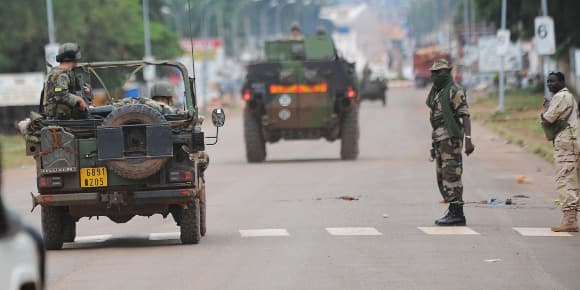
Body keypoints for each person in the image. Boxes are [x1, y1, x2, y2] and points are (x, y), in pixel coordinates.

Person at [426, 59, 475, 226]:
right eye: (437, 73)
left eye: (443, 72)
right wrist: (434, 146)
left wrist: (468, 140)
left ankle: (457, 213)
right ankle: (453, 210)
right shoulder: (437, 92)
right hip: (440, 139)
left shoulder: (454, 90)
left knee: (452, 174)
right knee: (442, 175)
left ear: (448, 73)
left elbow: (465, 115)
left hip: (451, 139)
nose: (440, 75)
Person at [541, 71, 579, 232]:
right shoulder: (568, 97)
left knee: (565, 179)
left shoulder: (561, 96)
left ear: (562, 82)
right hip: (571, 141)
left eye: (554, 81)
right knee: (572, 179)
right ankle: (571, 218)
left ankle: (570, 220)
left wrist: (546, 109)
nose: (550, 84)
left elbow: (547, 118)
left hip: (566, 143)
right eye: (548, 81)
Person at [43, 43, 88, 119]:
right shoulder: (62, 75)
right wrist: (79, 99)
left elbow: (62, 90)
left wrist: (85, 90)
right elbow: (60, 93)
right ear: (73, 58)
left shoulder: (62, 72)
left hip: (59, 112)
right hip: (58, 114)